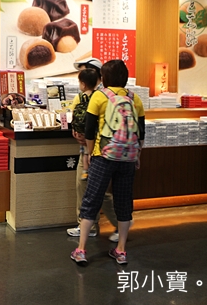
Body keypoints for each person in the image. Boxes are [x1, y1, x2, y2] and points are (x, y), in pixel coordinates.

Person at [70, 59, 145, 266]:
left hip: (102, 156)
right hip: (127, 157)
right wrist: (137, 154)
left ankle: (81, 249)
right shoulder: (135, 99)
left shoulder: (99, 96)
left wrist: (88, 153)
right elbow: (141, 132)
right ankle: (121, 250)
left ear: (104, 77)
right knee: (124, 202)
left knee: (91, 199)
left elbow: (90, 129)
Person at [67, 57, 118, 238]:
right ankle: (95, 225)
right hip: (99, 149)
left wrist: (83, 140)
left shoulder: (95, 97)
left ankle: (119, 222)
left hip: (93, 151)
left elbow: (77, 121)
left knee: (90, 188)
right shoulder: (107, 96)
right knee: (92, 189)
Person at [73, 68, 100, 181]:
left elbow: (73, 114)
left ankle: (85, 171)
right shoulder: (98, 96)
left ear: (83, 84)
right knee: (90, 152)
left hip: (82, 131)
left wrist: (75, 129)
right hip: (95, 133)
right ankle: (89, 170)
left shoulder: (79, 97)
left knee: (84, 150)